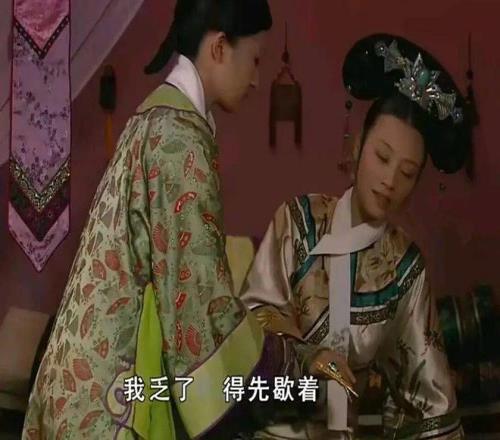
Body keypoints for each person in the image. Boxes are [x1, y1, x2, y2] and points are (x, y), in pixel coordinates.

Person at [22, 1, 342, 438]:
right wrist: (295, 366)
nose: (256, 79)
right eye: (254, 59)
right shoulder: (179, 140)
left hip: (80, 384)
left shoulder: (154, 118)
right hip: (108, 403)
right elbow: (203, 312)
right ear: (219, 48)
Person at [241, 34, 471, 439]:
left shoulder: (404, 268)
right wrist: (309, 356)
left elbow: (428, 400)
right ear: (359, 147)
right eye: (382, 157)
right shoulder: (297, 221)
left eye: (407, 173)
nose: (389, 181)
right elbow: (253, 317)